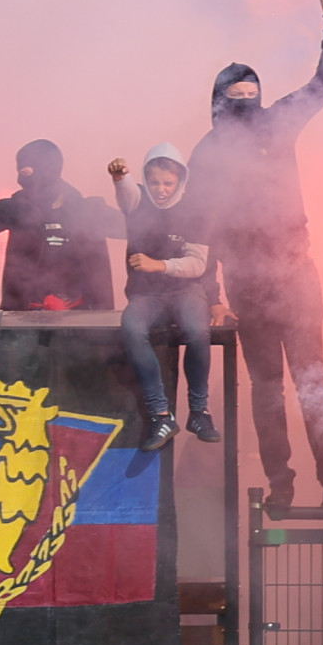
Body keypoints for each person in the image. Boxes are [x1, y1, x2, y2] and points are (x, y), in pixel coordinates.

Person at [189, 0, 323, 508]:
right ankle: (282, 486)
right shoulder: (209, 154)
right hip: (248, 283)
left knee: (312, 386)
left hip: (295, 275)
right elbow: (201, 228)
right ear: (217, 102)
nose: (245, 103)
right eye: (234, 98)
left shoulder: (278, 123)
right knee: (265, 392)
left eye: (251, 94)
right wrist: (212, 294)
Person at [104, 154, 217, 444]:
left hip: (186, 291)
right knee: (131, 327)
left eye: (168, 183)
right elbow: (127, 193)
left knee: (197, 330)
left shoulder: (195, 212)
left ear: (180, 181)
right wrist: (120, 177)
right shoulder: (138, 205)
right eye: (154, 182)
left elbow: (198, 264)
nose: (161, 189)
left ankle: (199, 412)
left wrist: (160, 264)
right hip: (147, 295)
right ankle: (160, 416)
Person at [0, 139, 114, 311]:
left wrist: (122, 182)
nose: (22, 173)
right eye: (20, 167)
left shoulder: (86, 209)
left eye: (29, 166)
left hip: (81, 314)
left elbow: (136, 227)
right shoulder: (16, 207)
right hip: (25, 312)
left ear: (48, 168)